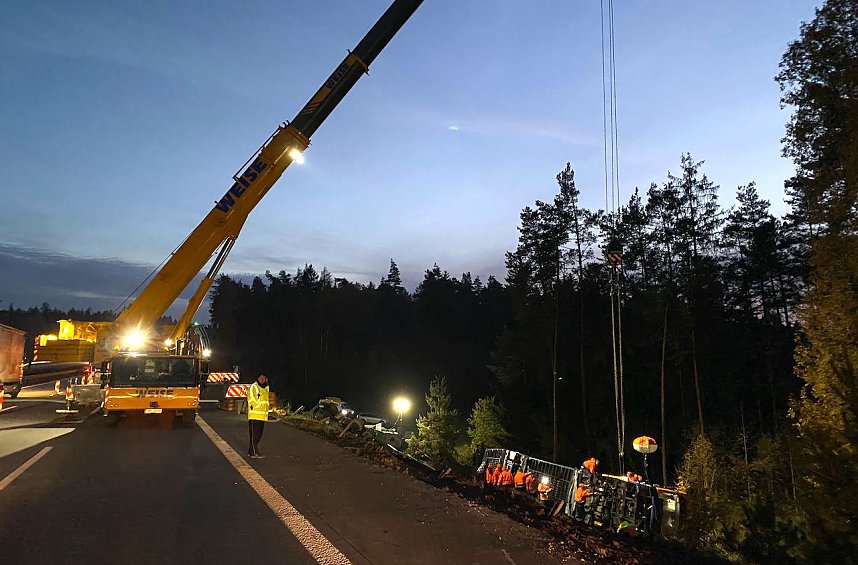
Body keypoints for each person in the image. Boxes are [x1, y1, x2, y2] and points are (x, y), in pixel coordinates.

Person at [247, 374, 270, 458]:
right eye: (261, 378)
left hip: (262, 416)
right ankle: (254, 452)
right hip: (254, 415)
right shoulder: (254, 387)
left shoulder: (266, 388)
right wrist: (258, 407)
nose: (262, 379)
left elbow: (266, 401)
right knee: (254, 435)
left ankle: (251, 451)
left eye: (264, 378)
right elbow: (251, 399)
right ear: (257, 378)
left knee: (259, 434)